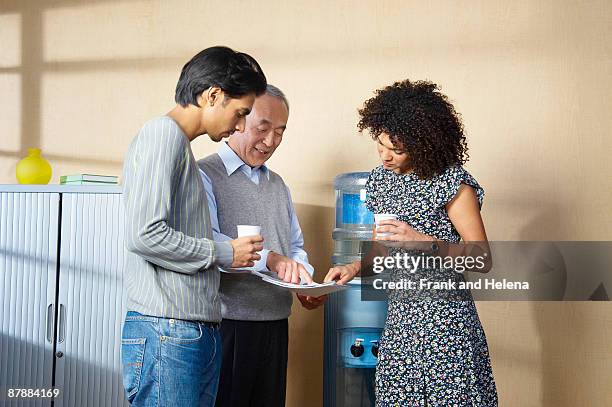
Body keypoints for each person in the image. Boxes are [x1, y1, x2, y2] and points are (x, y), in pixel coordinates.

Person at [325, 79, 498, 406]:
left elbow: (482, 258)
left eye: (398, 149)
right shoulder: (380, 180)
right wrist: (352, 267)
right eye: (381, 144)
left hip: (446, 323)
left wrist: (421, 241)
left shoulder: (452, 183)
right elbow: (379, 251)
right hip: (400, 322)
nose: (386, 156)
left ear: (424, 143)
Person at [121, 46, 267, 407]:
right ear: (213, 95)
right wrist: (224, 252)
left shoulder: (181, 147)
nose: (238, 126)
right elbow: (144, 234)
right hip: (168, 330)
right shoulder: (162, 134)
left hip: (190, 329)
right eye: (240, 113)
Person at [198, 84, 325, 407]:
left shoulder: (278, 185)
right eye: (263, 129)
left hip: (275, 324)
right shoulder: (204, 175)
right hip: (227, 326)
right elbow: (209, 242)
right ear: (239, 121)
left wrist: (304, 278)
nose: (271, 141)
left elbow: (294, 245)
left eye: (280, 132)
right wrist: (272, 260)